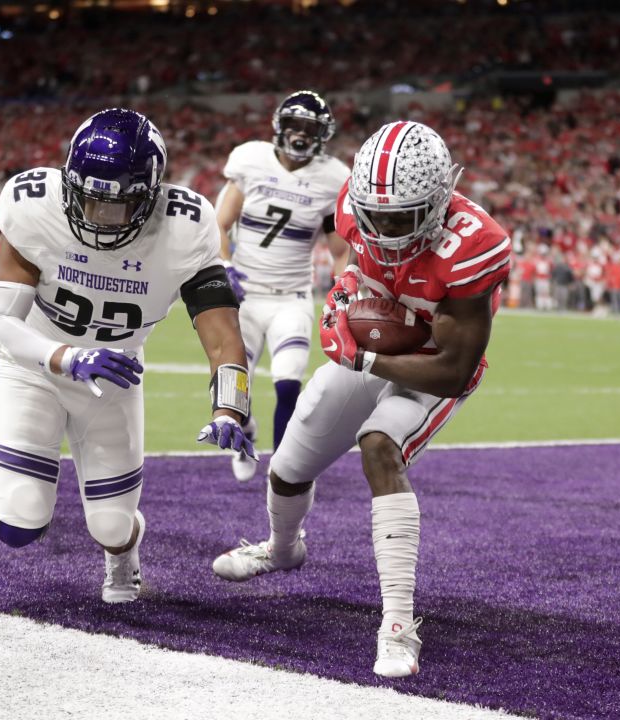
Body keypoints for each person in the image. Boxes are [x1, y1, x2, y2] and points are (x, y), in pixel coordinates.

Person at [212, 121, 511, 679]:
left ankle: (398, 624)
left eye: (402, 216)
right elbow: (356, 269)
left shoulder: (475, 244)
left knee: (379, 444)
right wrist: (345, 297)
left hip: (431, 364)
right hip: (373, 348)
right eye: (377, 215)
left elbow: (453, 368)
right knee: (289, 465)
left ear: (440, 198)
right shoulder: (357, 203)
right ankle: (282, 550)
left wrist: (365, 359)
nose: (387, 227)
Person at [0, 108, 255, 604]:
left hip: (114, 377)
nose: (99, 216)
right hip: (37, 367)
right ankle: (3, 493)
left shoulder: (187, 227)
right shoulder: (35, 207)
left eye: (118, 204)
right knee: (18, 524)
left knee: (111, 524)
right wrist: (68, 356)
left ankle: (122, 558)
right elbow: (0, 326)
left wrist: (229, 407)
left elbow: (223, 338)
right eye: (88, 199)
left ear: (151, 195)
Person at [214, 91, 349, 482]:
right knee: (238, 382)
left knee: (289, 381)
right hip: (246, 294)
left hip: (292, 297)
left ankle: (282, 471)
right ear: (280, 125)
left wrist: (341, 289)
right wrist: (224, 265)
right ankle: (246, 432)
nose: (301, 134)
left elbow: (339, 249)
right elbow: (219, 224)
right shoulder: (251, 160)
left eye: (310, 128)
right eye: (296, 125)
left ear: (323, 134)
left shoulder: (331, 178)